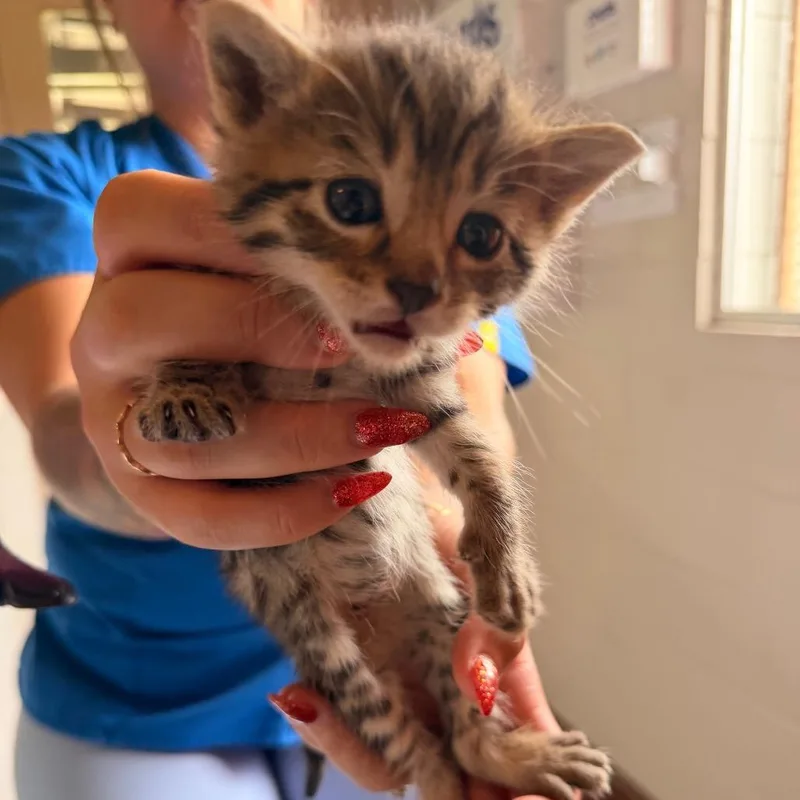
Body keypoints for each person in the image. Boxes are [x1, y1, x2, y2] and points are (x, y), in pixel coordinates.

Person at [0, 1, 563, 799]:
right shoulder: (44, 176)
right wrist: (133, 447)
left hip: (394, 658)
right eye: (356, 206)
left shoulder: (457, 167)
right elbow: (59, 428)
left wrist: (452, 636)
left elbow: (468, 429)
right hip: (137, 696)